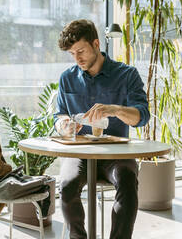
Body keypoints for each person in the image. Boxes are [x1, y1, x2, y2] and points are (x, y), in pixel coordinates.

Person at [54, 19, 149, 239]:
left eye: (81, 51)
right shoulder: (67, 78)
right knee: (67, 185)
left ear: (96, 44)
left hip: (116, 154)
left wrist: (116, 110)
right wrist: (63, 125)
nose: (77, 58)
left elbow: (142, 117)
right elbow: (59, 115)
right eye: (72, 54)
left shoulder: (127, 75)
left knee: (127, 181)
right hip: (79, 153)